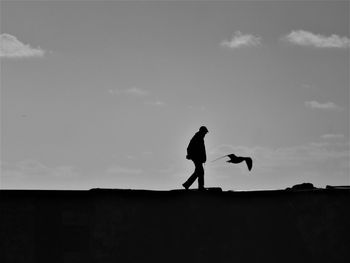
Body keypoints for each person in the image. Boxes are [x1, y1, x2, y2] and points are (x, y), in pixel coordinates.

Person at [182, 126, 208, 190]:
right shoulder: (197, 137)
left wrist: (203, 158)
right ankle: (200, 186)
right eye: (205, 132)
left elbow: (202, 150)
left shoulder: (200, 137)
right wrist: (190, 155)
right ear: (202, 131)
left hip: (198, 158)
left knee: (198, 171)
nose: (205, 134)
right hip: (196, 158)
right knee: (200, 171)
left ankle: (187, 184)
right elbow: (190, 148)